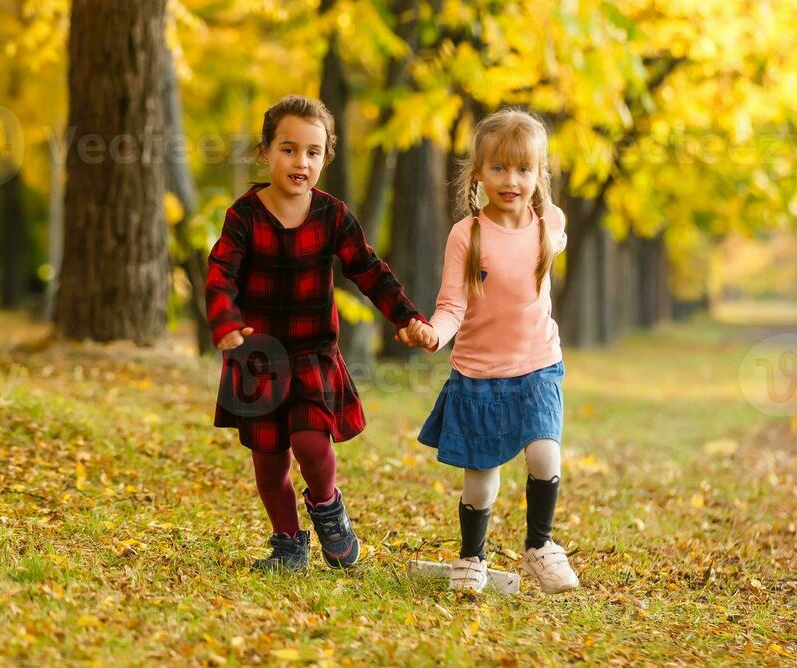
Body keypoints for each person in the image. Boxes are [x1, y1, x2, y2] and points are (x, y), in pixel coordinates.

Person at [206, 95, 428, 573]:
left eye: (312, 152)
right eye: (288, 149)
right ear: (265, 153)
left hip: (312, 354)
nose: (300, 161)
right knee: (268, 461)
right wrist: (224, 322)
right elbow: (221, 271)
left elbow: (368, 271)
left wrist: (407, 317)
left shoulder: (332, 215)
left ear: (325, 158)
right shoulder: (244, 215)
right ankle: (288, 545)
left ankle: (328, 509)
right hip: (257, 355)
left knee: (310, 441)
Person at [399, 107, 579, 594]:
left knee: (545, 455)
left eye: (524, 169)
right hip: (479, 375)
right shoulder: (468, 234)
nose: (511, 180)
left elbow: (553, 241)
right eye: (498, 168)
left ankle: (540, 546)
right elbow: (452, 305)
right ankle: (471, 558)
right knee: (481, 483)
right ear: (477, 173)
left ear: (540, 174)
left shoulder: (549, 224)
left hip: (539, 364)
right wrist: (433, 333)